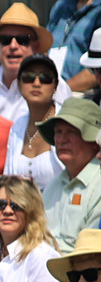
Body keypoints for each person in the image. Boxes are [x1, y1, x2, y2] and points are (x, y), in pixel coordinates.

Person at [0, 3, 73, 119]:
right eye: (5, 40)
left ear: (36, 47)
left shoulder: (53, 85)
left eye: (22, 40)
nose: (13, 46)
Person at [38, 97, 101, 251]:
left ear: (94, 142)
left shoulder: (99, 184)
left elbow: (91, 252)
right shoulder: (53, 185)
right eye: (58, 132)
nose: (61, 139)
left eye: (72, 131)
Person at [4, 53, 65, 189]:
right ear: (19, 85)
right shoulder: (17, 127)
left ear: (55, 86)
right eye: (28, 77)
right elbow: (8, 181)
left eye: (45, 78)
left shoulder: (66, 122)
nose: (36, 84)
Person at [46, 0, 101, 88]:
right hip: (49, 88)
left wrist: (62, 91)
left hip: (81, 95)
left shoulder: (98, 10)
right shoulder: (61, 5)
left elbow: (97, 68)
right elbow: (44, 48)